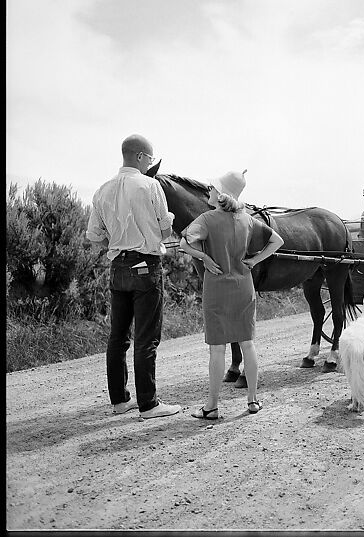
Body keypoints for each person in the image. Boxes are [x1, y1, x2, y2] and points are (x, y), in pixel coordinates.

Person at [86, 134, 181, 419]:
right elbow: (165, 231)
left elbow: (94, 237)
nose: (150, 163)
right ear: (140, 157)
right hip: (146, 267)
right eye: (150, 158)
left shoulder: (102, 190)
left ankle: (119, 401)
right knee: (146, 337)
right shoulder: (150, 185)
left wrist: (118, 243)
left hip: (118, 269)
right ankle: (149, 404)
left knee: (118, 337)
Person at [179, 169, 284, 420]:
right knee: (248, 344)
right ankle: (253, 401)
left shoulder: (206, 219)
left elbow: (184, 243)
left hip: (216, 288)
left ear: (222, 194)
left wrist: (204, 257)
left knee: (217, 350)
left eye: (213, 188)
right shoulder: (247, 220)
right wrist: (254, 260)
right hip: (243, 286)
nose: (210, 191)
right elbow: (277, 240)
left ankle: (212, 407)